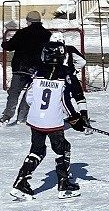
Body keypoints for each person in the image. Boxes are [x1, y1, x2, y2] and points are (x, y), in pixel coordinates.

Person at [10, 36, 87, 200]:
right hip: (53, 121)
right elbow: (65, 101)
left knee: (37, 150)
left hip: (35, 119)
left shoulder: (37, 72)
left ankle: (20, 183)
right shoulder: (65, 73)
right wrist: (75, 119)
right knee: (63, 148)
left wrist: (39, 110)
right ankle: (64, 185)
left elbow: (29, 97)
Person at [0, 10, 51, 125]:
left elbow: (10, 46)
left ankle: (7, 115)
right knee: (29, 94)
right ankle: (22, 116)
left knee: (14, 92)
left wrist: (4, 43)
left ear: (29, 21)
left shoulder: (22, 33)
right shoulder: (46, 34)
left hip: (20, 67)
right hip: (37, 69)